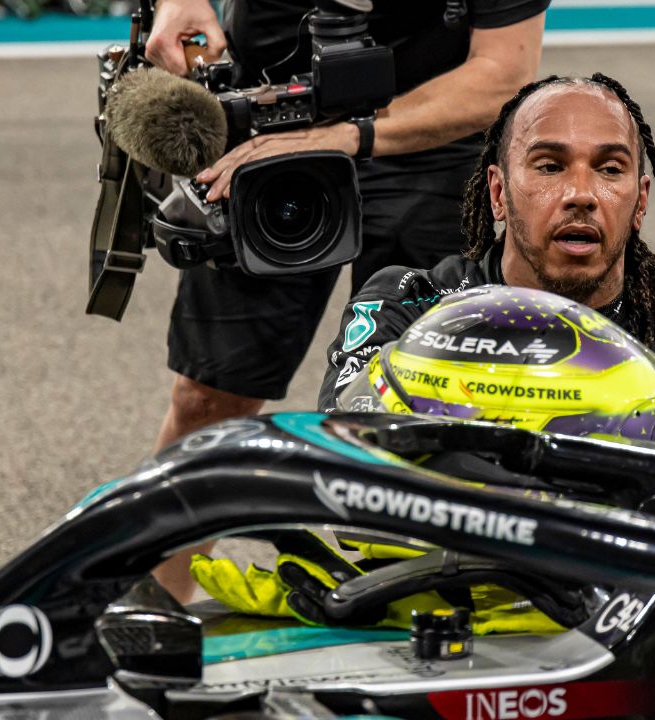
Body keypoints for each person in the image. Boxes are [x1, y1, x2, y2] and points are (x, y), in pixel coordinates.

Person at [144, 0, 549, 599]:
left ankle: (433, 618)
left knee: (436, 397)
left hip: (431, 133)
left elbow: (504, 72)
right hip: (267, 112)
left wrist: (346, 134)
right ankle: (148, 612)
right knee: (210, 396)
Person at [318, 73, 655, 449]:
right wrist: (635, 431)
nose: (581, 193)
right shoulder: (406, 305)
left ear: (639, 202)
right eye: (549, 166)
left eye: (609, 169)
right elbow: (351, 436)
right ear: (498, 194)